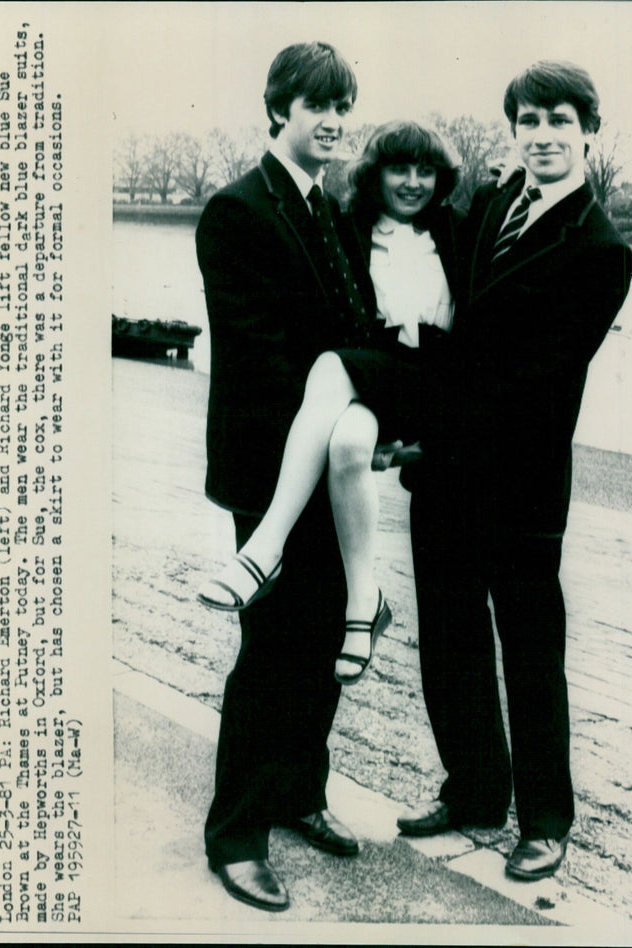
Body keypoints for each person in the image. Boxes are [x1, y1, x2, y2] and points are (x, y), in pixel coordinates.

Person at [398, 61, 632, 882]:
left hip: (520, 484)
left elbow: (535, 382)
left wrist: (432, 435)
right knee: (451, 643)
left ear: (587, 133)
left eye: (558, 122)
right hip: (447, 476)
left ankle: (544, 820)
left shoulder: (601, 250)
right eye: (527, 121)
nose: (541, 136)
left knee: (531, 654)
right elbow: (449, 298)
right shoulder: (500, 201)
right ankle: (473, 793)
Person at [195, 41, 368, 912]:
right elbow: (263, 360)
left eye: (343, 107)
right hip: (269, 471)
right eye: (317, 107)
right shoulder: (237, 210)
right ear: (279, 111)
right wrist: (349, 414)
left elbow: (354, 324)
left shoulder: (326, 208)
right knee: (271, 652)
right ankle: (235, 835)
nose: (333, 122)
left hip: (325, 466)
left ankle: (301, 793)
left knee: (325, 639)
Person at [198, 119, 462, 686]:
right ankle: (365, 603)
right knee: (346, 445)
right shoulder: (351, 225)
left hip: (427, 383)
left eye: (426, 171)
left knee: (329, 365)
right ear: (376, 174)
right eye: (399, 169)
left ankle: (265, 547)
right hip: (376, 375)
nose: (413, 182)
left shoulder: (459, 231)